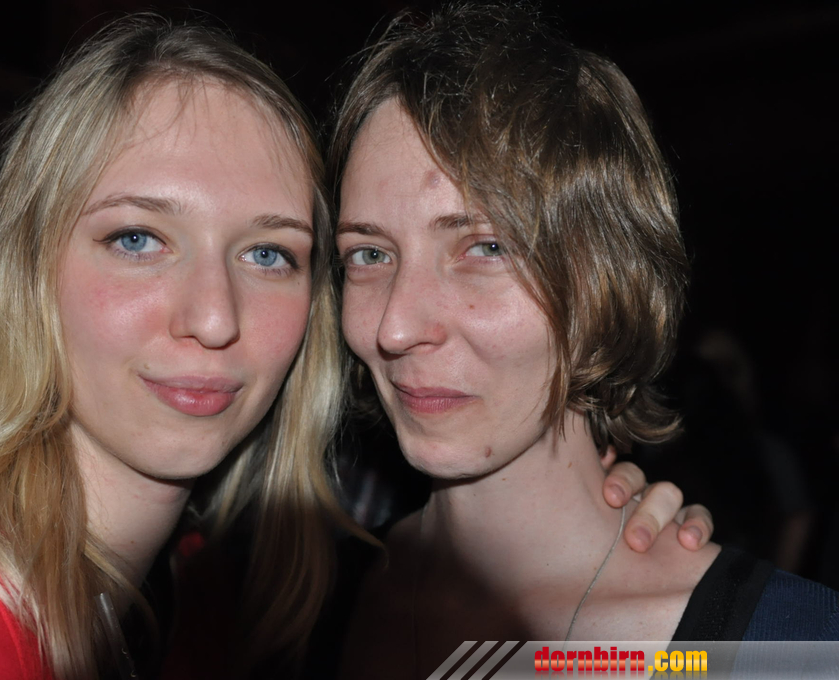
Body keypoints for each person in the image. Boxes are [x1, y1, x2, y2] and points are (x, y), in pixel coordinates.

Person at [0, 12, 711, 680]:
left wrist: (716, 618)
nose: (214, 317)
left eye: (269, 253)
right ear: (23, 270)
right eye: (137, 238)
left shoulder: (229, 612)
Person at [329, 4, 838, 677]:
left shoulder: (792, 651)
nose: (394, 327)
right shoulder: (295, 604)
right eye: (369, 254)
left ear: (605, 280)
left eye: (485, 247)